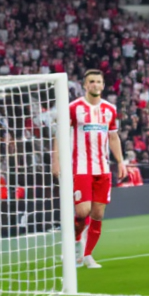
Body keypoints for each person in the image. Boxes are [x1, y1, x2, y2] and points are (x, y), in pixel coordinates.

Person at [52, 69, 125, 269]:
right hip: (81, 168)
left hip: (102, 169)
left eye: (98, 81)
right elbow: (60, 133)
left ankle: (87, 255)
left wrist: (120, 161)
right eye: (91, 81)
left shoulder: (109, 109)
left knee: (98, 214)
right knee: (82, 211)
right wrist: (55, 160)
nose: (95, 85)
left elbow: (113, 137)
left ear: (103, 85)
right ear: (85, 85)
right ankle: (76, 243)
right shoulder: (74, 108)